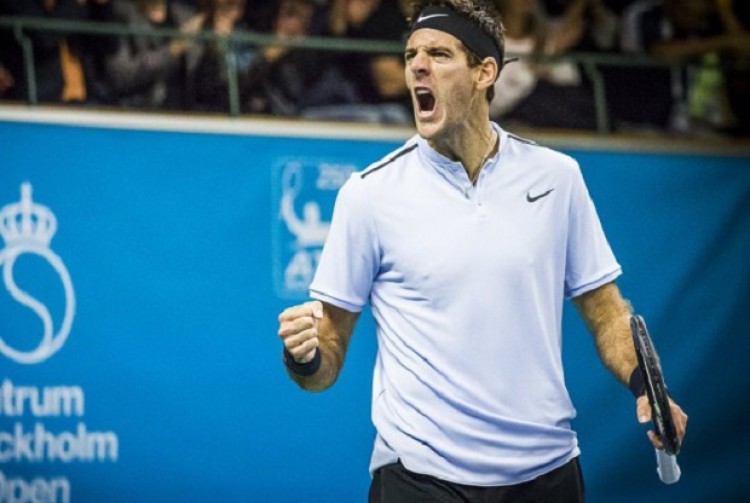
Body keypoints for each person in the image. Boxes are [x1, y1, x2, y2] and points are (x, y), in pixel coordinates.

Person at [277, 0, 688, 500]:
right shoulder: (368, 194)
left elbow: (607, 314)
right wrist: (304, 357)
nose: (417, 67)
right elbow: (326, 359)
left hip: (546, 473)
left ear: (484, 72)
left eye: (439, 54)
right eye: (410, 55)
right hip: (418, 479)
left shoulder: (557, 178)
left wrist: (646, 387)